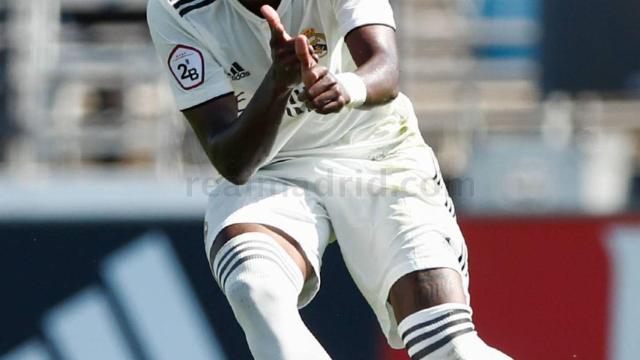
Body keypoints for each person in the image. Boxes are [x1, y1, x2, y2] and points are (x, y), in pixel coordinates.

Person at [147, 0, 512, 358]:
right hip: (274, 170)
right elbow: (232, 161)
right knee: (254, 286)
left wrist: (346, 87)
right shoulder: (173, 7)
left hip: (378, 151)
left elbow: (385, 67)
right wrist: (277, 84)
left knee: (450, 348)